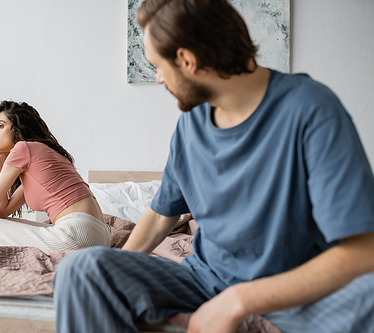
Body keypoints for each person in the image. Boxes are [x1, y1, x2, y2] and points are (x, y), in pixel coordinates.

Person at [52, 0, 374, 332]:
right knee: (81, 269)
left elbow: (363, 251)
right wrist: (114, 265)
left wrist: (239, 301)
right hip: (204, 280)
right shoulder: (190, 125)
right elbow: (162, 214)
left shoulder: (311, 109)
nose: (159, 78)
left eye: (158, 66)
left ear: (187, 61)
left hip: (293, 292)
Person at [0, 101, 110, 253]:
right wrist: (0, 161)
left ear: (18, 131)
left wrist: (2, 159)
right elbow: (0, 212)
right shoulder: (40, 158)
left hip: (79, 234)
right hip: (99, 236)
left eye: (0, 126)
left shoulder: (24, 148)